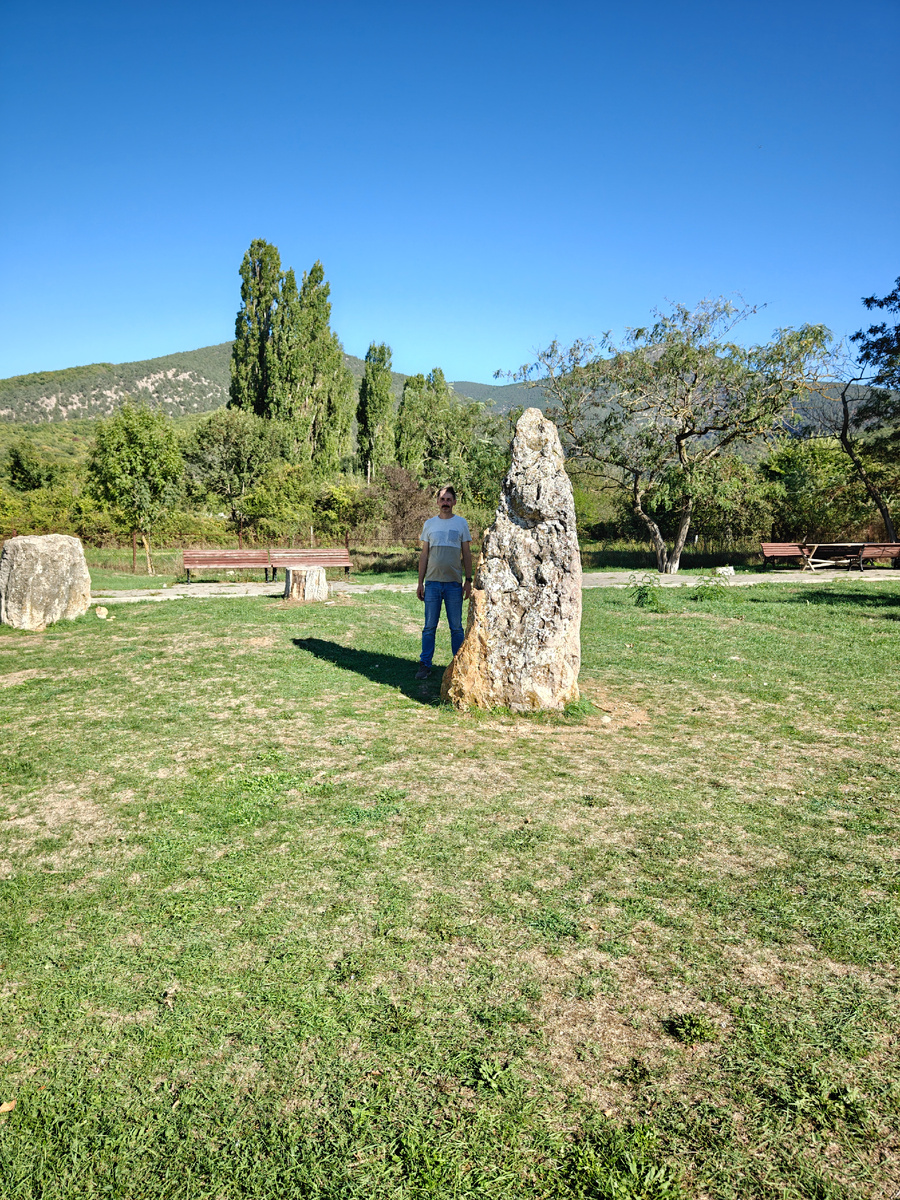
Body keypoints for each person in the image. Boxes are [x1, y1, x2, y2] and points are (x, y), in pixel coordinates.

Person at [415, 485, 472, 679]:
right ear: (437, 502)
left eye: (449, 499)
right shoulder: (429, 524)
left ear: (454, 502)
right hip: (432, 584)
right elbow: (424, 555)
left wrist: (468, 581)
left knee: (456, 627)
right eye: (442, 499)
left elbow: (466, 554)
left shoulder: (461, 523)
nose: (445, 503)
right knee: (429, 627)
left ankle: (458, 666)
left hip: (454, 585)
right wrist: (420, 582)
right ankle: (425, 665)